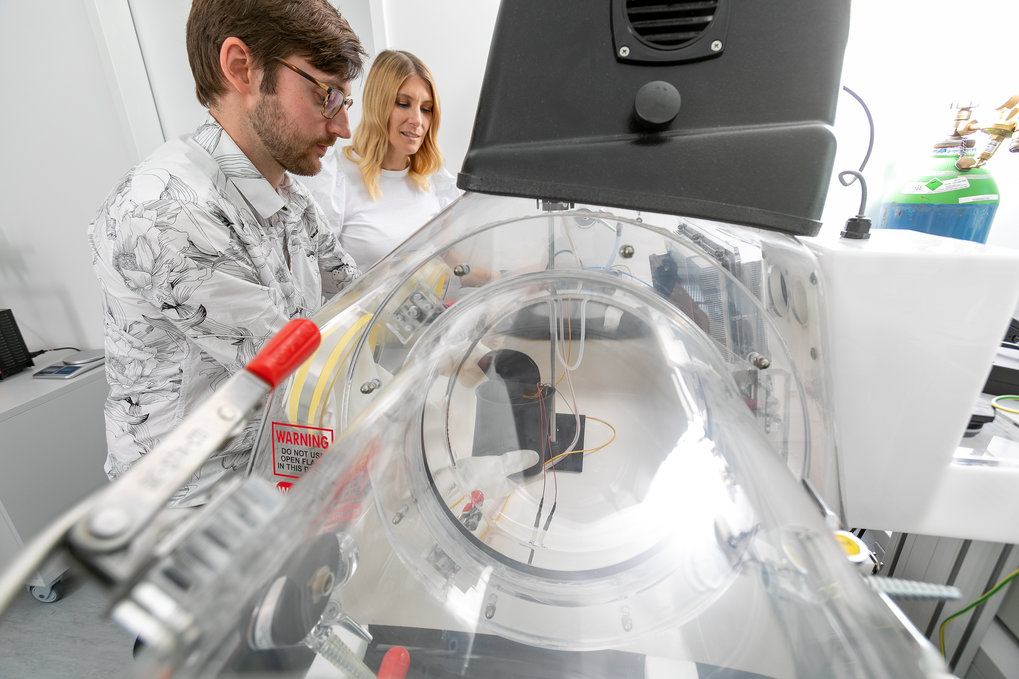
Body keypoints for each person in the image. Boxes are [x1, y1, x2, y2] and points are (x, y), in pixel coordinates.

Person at [86, 0, 367, 507]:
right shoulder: (166, 215)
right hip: (186, 508)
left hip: (267, 462)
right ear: (241, 67)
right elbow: (295, 370)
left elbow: (355, 292)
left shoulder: (281, 191)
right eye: (327, 96)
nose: (343, 126)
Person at [303, 49, 461, 270]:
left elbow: (454, 267)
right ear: (378, 105)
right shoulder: (334, 178)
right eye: (403, 104)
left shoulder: (433, 179)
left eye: (426, 109)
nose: (417, 120)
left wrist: (503, 275)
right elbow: (314, 276)